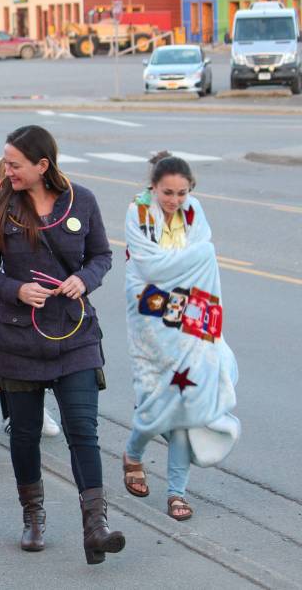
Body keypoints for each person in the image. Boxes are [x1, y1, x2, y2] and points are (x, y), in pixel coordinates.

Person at [0, 125, 125, 564]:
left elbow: (102, 256)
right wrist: (16, 290)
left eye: (16, 164)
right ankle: (33, 516)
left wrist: (84, 279)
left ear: (43, 165)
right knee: (24, 434)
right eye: (6, 162)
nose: (8, 171)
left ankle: (96, 525)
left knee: (83, 432)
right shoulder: (0, 207)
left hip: (75, 335)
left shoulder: (83, 201)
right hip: (19, 339)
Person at [122, 153, 239, 522]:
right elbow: (147, 266)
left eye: (181, 193)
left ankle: (176, 491)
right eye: (167, 192)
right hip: (150, 317)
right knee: (157, 402)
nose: (174, 200)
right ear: (153, 186)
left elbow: (201, 258)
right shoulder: (138, 214)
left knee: (187, 402)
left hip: (192, 316)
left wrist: (188, 264)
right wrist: (189, 262)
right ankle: (133, 452)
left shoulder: (194, 212)